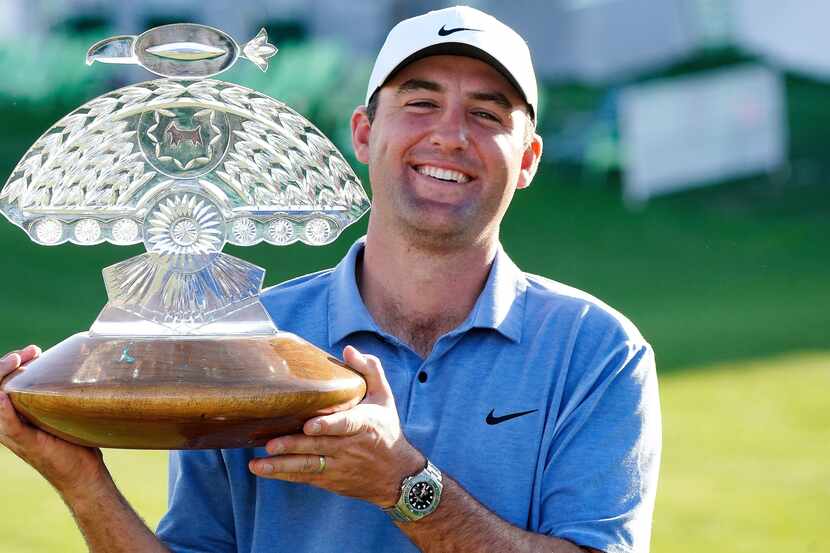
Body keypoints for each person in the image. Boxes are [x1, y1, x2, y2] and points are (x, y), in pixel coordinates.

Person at [0, 6, 660, 552]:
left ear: (528, 159)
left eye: (487, 114)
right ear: (364, 133)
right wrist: (82, 483)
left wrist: (404, 484)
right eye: (421, 102)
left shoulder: (596, 351)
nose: (451, 135)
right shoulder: (238, 340)